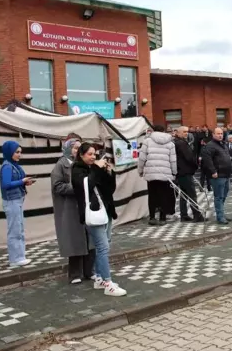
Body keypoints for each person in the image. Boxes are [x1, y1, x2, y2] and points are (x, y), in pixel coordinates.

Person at [72, 143, 126, 296]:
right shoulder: (77, 170)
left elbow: (109, 189)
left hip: (105, 211)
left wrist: (109, 173)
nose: (93, 157)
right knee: (103, 247)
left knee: (103, 245)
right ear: (81, 155)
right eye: (89, 154)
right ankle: (108, 283)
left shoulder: (93, 169)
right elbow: (86, 186)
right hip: (92, 214)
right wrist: (96, 168)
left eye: (94, 154)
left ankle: (99, 278)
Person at [51, 137, 95, 284]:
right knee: (75, 241)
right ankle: (75, 274)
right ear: (68, 149)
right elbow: (57, 186)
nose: (76, 151)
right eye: (75, 148)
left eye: (78, 148)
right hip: (70, 208)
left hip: (85, 206)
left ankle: (89, 271)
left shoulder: (82, 165)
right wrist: (76, 188)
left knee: (90, 240)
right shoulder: (61, 165)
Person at [0, 141, 34, 267]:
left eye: (20, 152)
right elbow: (6, 184)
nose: (19, 155)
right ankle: (16, 258)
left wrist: (25, 182)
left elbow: (15, 182)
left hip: (17, 200)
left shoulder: (13, 165)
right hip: (11, 201)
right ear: (10, 152)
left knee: (19, 228)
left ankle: (20, 256)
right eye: (17, 152)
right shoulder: (7, 166)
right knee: (15, 230)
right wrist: (21, 181)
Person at [138, 125, 178, 225]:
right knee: (164, 195)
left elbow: (142, 158)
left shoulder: (147, 141)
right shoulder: (170, 143)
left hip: (151, 173)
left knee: (152, 195)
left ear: (153, 130)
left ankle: (152, 217)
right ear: (164, 131)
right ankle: (162, 218)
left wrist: (140, 170)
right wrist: (174, 172)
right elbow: (173, 160)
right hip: (165, 174)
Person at [174, 126, 205, 223]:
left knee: (184, 195)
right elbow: (189, 157)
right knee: (192, 194)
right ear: (178, 133)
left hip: (181, 172)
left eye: (187, 132)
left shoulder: (178, 142)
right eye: (184, 132)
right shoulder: (181, 143)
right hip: (185, 171)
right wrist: (195, 166)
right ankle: (197, 215)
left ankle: (184, 215)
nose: (186, 133)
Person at [201, 127, 232, 225]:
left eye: (221, 133)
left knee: (224, 195)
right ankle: (220, 217)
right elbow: (207, 160)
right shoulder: (210, 146)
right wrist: (213, 171)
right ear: (213, 134)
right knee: (218, 196)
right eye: (218, 133)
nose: (220, 135)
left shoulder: (223, 144)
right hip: (217, 175)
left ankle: (221, 213)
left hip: (226, 174)